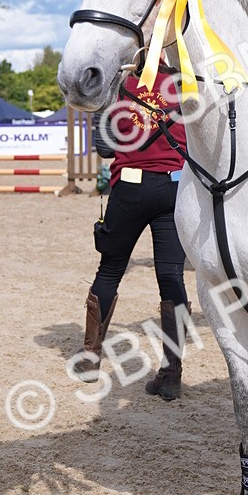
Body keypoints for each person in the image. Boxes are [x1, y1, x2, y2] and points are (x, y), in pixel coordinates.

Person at [79, 65, 190, 400]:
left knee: (110, 269)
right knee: (172, 278)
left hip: (129, 189)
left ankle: (89, 360)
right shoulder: (182, 80)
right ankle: (171, 373)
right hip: (174, 188)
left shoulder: (119, 82)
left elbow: (105, 148)